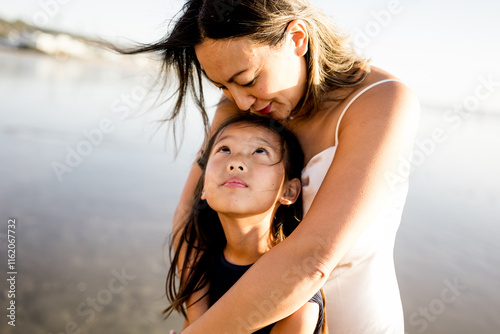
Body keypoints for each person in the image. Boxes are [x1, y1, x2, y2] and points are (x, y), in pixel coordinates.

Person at [119, 0, 420, 332]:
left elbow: (312, 259)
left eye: (247, 79)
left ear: (297, 39)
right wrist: (198, 316)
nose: (240, 102)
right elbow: (189, 212)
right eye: (221, 86)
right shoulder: (243, 100)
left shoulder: (382, 102)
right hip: (237, 313)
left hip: (352, 314)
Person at [165, 114, 325, 333]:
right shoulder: (201, 265)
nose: (236, 162)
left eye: (260, 151)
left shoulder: (296, 298)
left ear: (289, 191)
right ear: (203, 187)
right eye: (224, 149)